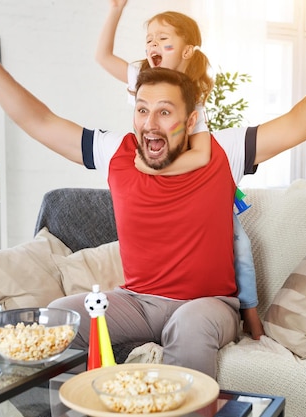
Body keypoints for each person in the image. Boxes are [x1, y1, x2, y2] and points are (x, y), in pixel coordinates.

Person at [0, 16, 306, 378]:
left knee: (189, 326)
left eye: (164, 112)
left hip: (208, 305)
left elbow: (296, 124)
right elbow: (39, 120)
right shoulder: (118, 152)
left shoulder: (223, 150)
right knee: (60, 315)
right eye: (142, 110)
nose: (149, 123)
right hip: (137, 302)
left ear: (191, 120)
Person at [96, 0, 264, 339]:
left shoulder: (194, 96)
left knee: (241, 245)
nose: (153, 46)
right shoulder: (141, 73)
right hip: (162, 172)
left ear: (187, 51)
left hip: (200, 186)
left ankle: (252, 318)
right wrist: (114, 11)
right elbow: (102, 57)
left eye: (163, 39)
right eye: (150, 40)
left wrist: (151, 168)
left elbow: (201, 155)